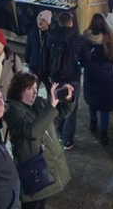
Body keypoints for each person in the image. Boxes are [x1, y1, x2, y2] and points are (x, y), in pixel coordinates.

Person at [5, 73, 75, 209]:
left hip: (44, 165)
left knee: (41, 202)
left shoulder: (38, 103)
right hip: (32, 169)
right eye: (30, 88)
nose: (35, 92)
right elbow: (32, 131)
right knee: (32, 203)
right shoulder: (13, 111)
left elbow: (62, 113)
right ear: (19, 90)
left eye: (36, 88)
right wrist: (51, 106)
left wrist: (68, 98)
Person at [39, 11, 89, 150]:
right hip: (73, 79)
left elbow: (44, 58)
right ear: (71, 22)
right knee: (71, 108)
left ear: (59, 22)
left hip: (53, 78)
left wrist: (46, 76)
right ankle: (67, 139)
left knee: (54, 105)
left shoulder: (49, 37)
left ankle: (57, 132)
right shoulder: (79, 38)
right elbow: (85, 61)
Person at [82, 13, 113, 145]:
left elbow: (82, 58)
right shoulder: (110, 38)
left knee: (92, 101)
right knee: (104, 107)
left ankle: (93, 124)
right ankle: (104, 134)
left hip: (90, 75)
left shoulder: (86, 37)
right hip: (106, 77)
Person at [25, 10, 51, 76]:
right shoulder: (33, 33)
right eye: (38, 19)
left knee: (50, 86)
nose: (40, 21)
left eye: (43, 20)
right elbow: (28, 47)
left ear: (48, 22)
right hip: (34, 66)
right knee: (32, 85)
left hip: (46, 68)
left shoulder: (51, 35)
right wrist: (26, 60)